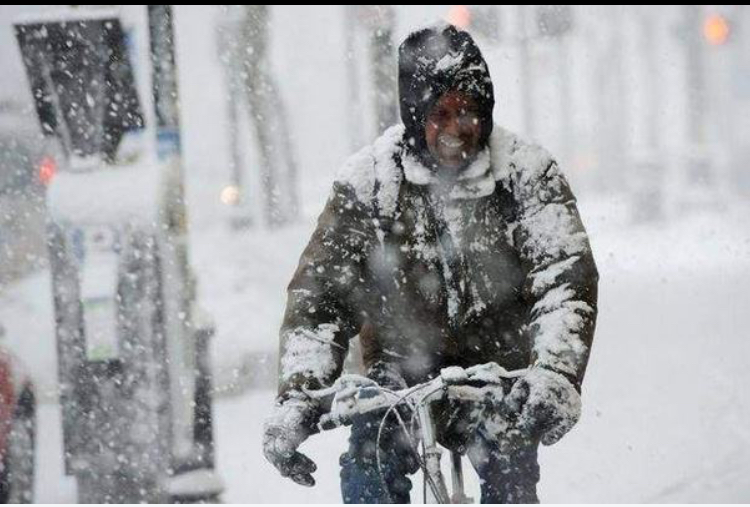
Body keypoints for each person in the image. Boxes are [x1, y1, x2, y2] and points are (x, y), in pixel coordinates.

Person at [263, 23, 598, 504]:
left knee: (511, 471)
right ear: (415, 116)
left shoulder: (527, 174)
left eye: (470, 110)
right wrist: (299, 396)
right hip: (397, 380)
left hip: (497, 376)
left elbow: (563, 280)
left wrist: (555, 374)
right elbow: (320, 300)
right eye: (440, 113)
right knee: (370, 465)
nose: (457, 127)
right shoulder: (371, 184)